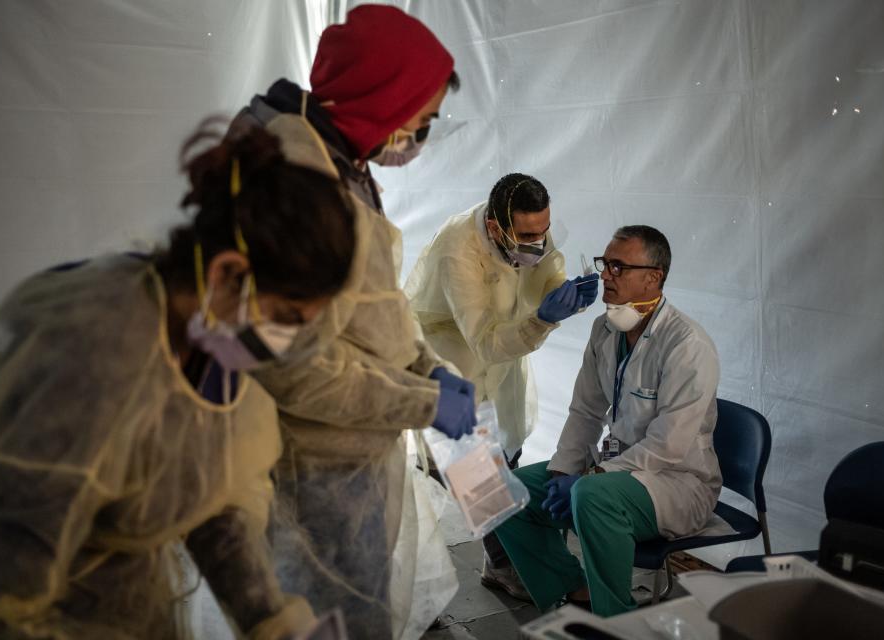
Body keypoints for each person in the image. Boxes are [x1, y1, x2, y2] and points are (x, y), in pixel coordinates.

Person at [0, 118, 357, 639]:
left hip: (135, 605)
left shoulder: (211, 335)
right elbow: (3, 595)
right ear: (227, 273)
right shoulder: (90, 357)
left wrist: (267, 616)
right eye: (286, 317)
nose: (284, 344)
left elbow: (206, 496)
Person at [228, 6, 474, 639]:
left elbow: (371, 303)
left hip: (352, 451)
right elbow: (295, 368)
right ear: (381, 98)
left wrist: (429, 367)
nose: (419, 138)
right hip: (314, 465)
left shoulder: (343, 163)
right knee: (334, 622)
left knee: (358, 609)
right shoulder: (294, 189)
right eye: (419, 121)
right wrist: (423, 401)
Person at [491, 225, 722, 617]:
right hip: (618, 471)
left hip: (679, 482)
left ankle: (615, 619)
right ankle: (571, 591)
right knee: (504, 491)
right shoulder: (606, 328)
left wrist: (591, 477)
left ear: (654, 277)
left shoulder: (687, 345)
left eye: (618, 267)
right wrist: (565, 470)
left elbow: (669, 445)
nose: (605, 275)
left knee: (591, 495)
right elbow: (585, 410)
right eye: (605, 264)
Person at [404, 173, 600, 596]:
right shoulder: (458, 249)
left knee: (504, 453)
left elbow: (547, 270)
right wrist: (542, 319)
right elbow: (484, 340)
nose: (538, 242)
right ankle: (426, 583)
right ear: (495, 227)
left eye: (543, 231)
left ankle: (501, 561)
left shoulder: (528, 234)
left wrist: (565, 292)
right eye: (527, 234)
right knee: (466, 469)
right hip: (448, 353)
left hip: (503, 351)